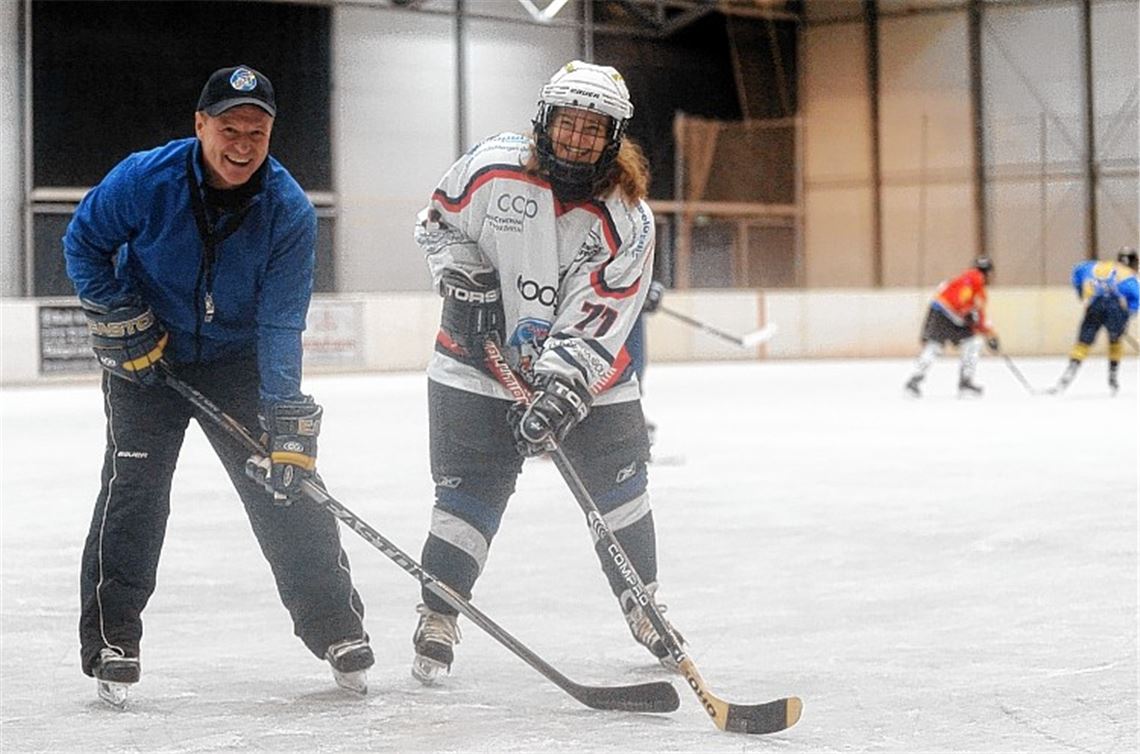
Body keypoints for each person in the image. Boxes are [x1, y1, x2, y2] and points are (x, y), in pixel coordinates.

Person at [63, 65, 372, 706]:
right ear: (200, 125)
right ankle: (112, 640)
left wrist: (285, 414)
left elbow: (281, 321)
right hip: (148, 359)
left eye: (256, 132)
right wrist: (117, 309)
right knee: (135, 493)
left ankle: (337, 628)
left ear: (271, 133)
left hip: (237, 365)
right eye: (228, 128)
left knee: (287, 488)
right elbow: (83, 242)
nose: (241, 144)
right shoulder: (144, 179)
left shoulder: (287, 210)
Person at [408, 60, 682, 684]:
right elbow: (438, 225)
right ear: (545, 120)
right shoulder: (489, 168)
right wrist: (463, 277)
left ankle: (644, 604)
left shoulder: (628, 220)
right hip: (475, 365)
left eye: (594, 128)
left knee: (619, 491)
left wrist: (561, 387)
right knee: (467, 495)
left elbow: (601, 317)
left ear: (613, 136)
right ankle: (438, 612)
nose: (577, 138)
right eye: (568, 122)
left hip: (589, 378)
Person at [904, 257, 1000, 397]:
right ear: (989, 273)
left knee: (934, 346)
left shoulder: (965, 279)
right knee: (972, 344)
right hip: (950, 314)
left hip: (939, 312)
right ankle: (965, 383)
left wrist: (988, 332)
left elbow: (973, 311)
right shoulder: (976, 280)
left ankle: (914, 381)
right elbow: (969, 306)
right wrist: (989, 334)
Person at [1051, 245, 1138, 395]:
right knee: (1115, 340)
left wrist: (1081, 293)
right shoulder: (1128, 275)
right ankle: (1113, 376)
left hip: (1095, 305)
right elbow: (1135, 298)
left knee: (1083, 341)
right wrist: (1126, 316)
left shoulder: (1094, 266)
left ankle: (1071, 369)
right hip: (1115, 308)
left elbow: (1077, 271)